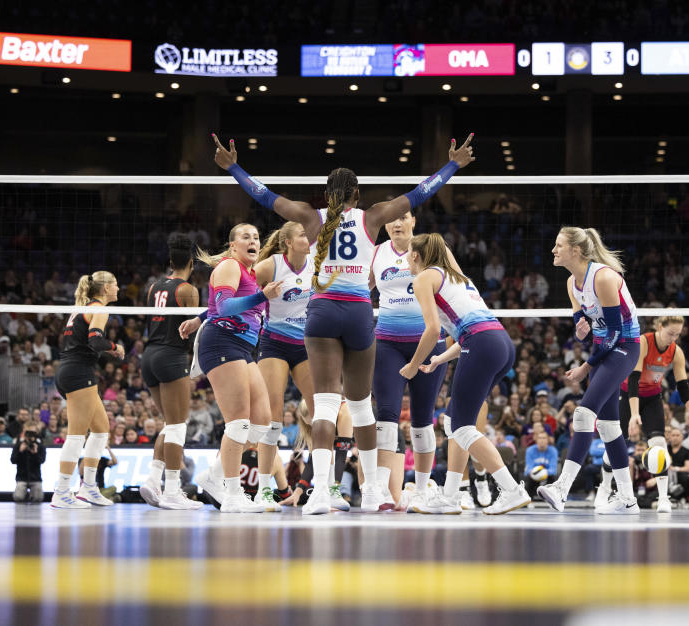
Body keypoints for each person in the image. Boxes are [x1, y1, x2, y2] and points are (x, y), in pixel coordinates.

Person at [211, 131, 475, 514]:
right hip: (356, 313)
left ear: (326, 194)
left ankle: (320, 492)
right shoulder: (373, 217)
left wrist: (233, 167)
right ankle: (371, 493)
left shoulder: (308, 217)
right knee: (361, 407)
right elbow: (420, 193)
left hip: (320, 314)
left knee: (324, 407)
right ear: (356, 194)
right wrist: (453, 164)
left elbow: (264, 196)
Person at [402, 233, 530, 515]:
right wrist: (438, 360)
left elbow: (433, 330)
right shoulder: (460, 278)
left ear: (414, 256)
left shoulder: (423, 278)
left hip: (481, 343)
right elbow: (470, 330)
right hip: (501, 344)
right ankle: (449, 495)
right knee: (453, 422)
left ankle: (510, 489)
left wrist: (413, 365)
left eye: (408, 254)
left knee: (460, 426)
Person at [538, 227, 642, 515]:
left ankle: (561, 489)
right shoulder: (572, 283)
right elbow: (584, 326)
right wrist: (580, 326)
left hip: (624, 346)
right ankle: (627, 499)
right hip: (604, 348)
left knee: (584, 414)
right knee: (608, 426)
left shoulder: (605, 277)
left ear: (576, 250)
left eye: (558, 245)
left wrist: (586, 366)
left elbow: (615, 332)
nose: (553, 250)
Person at [178, 223, 282, 513]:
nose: (252, 241)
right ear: (233, 245)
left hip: (242, 347)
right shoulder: (229, 266)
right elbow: (223, 308)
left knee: (261, 423)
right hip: (222, 343)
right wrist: (263, 296)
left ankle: (214, 474)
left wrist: (199, 318)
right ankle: (233, 494)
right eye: (245, 237)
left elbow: (216, 305)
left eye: (256, 237)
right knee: (238, 421)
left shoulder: (248, 272)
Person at [370, 212, 449, 512]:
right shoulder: (376, 253)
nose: (396, 223)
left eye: (402, 217)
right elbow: (361, 290)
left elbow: (455, 282)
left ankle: (421, 489)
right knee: (386, 413)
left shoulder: (430, 249)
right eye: (390, 219)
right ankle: (380, 488)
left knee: (422, 417)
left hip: (428, 342)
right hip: (388, 343)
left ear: (414, 220)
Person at [251, 221, 317, 511]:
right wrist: (261, 297)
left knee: (321, 414)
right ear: (289, 242)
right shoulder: (271, 266)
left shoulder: (318, 262)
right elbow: (236, 290)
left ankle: (322, 484)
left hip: (306, 345)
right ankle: (264, 490)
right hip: (274, 343)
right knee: (272, 418)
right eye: (303, 235)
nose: (309, 238)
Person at [602, 315, 689, 512]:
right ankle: (604, 490)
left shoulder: (676, 351)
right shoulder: (643, 342)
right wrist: (635, 414)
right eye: (670, 333)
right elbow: (634, 377)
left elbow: (683, 384)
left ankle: (663, 498)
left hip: (653, 397)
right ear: (660, 326)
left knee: (659, 445)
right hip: (628, 394)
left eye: (677, 335)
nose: (673, 338)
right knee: (615, 444)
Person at [138, 234, 203, 511]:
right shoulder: (188, 290)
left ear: (169, 260)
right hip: (172, 355)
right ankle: (174, 490)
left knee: (169, 423)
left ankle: (153, 479)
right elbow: (196, 327)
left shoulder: (153, 287)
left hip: (149, 356)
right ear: (192, 261)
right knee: (178, 425)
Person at [52, 271, 125, 509]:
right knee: (76, 435)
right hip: (77, 373)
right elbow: (95, 340)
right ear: (104, 289)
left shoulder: (82, 308)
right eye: (115, 285)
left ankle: (89, 488)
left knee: (102, 431)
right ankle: (62, 492)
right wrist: (115, 347)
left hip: (74, 370)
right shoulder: (99, 309)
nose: (118, 289)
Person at [11, 423, 46, 503]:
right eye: (28, 432)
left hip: (35, 478)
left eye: (33, 433)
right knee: (18, 497)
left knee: (38, 498)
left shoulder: (40, 446)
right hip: (22, 477)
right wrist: (20, 451)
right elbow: (13, 460)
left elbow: (42, 461)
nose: (30, 435)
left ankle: (31, 495)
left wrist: (35, 453)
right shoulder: (18, 445)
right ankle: (26, 495)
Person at [523, 431, 558, 498]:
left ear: (547, 440)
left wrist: (543, 473)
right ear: (536, 440)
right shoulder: (530, 450)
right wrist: (536, 473)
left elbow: (553, 469)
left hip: (547, 475)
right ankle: (528, 501)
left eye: (544, 438)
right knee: (528, 478)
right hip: (533, 475)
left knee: (553, 478)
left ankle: (552, 499)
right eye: (540, 438)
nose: (542, 440)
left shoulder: (553, 451)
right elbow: (528, 468)